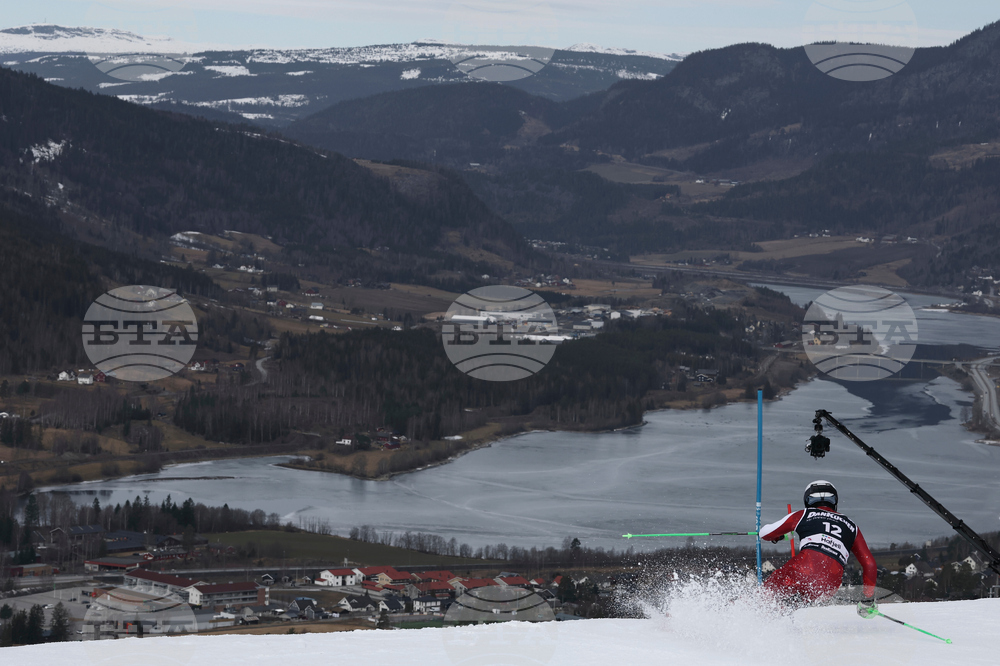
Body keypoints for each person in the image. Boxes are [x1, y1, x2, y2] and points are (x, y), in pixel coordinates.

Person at [759, 480, 877, 609]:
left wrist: (780, 536)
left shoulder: (804, 514)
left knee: (765, 596)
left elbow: (765, 533)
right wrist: (868, 598)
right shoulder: (852, 526)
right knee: (789, 606)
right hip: (829, 584)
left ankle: (744, 610)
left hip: (803, 569)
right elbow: (869, 564)